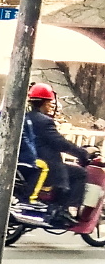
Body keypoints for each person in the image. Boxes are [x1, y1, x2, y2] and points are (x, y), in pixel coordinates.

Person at [26, 82, 91, 226]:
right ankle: (62, 209)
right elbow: (61, 143)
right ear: (43, 102)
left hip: (31, 161)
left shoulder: (27, 117)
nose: (52, 106)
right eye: (50, 102)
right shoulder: (44, 121)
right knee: (79, 173)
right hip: (45, 164)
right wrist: (82, 153)